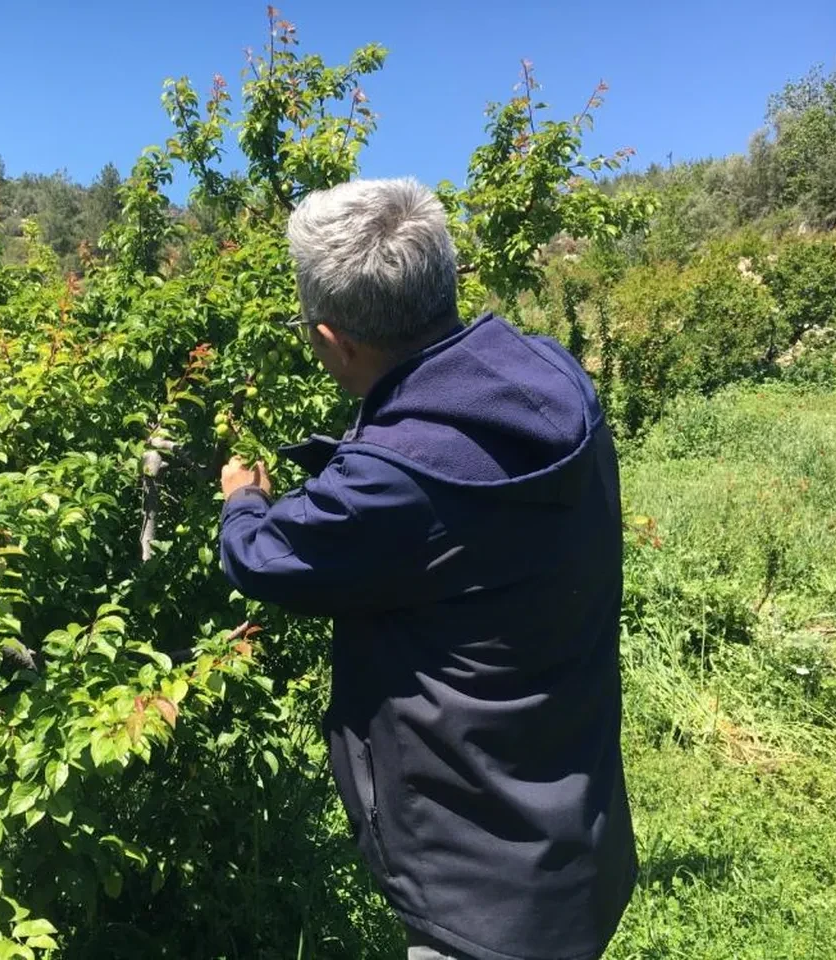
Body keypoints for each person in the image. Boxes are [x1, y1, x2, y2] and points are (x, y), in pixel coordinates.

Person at [217, 178, 636, 960]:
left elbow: (264, 557)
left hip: (480, 894)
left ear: (333, 339)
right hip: (579, 838)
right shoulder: (553, 377)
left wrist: (243, 499)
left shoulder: (392, 482)